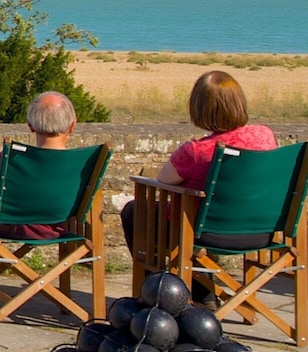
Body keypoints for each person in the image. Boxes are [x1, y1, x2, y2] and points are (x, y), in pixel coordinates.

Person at [118, 70, 277, 307]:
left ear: (199, 108)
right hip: (264, 230)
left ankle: (159, 292)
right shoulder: (265, 136)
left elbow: (163, 180)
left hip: (210, 232)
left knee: (136, 211)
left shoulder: (195, 152)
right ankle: (203, 294)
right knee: (184, 220)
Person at [0, 90, 79, 241]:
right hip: (57, 227)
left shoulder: (13, 159)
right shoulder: (84, 164)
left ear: (30, 125)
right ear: (72, 125)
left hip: (9, 225)